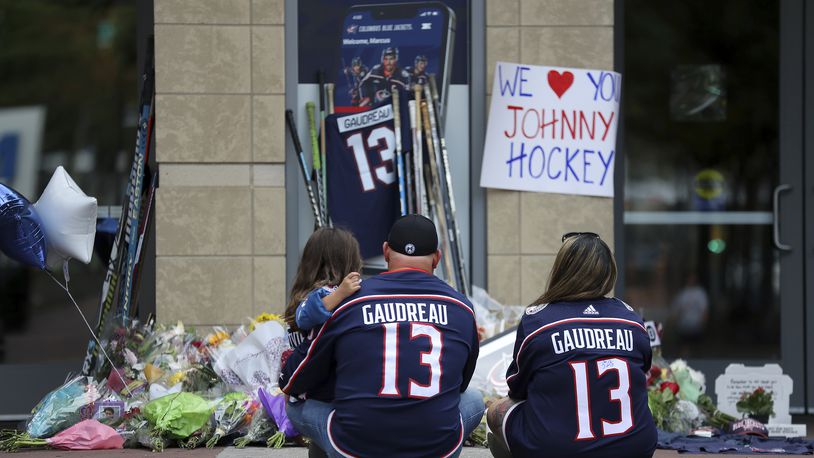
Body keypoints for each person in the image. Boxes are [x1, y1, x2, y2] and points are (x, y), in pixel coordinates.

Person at [281, 214, 484, 457]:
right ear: (437, 258)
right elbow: (460, 382)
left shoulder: (347, 301)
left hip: (355, 448)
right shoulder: (462, 307)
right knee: (473, 398)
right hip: (437, 449)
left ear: (386, 251)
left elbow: (292, 381)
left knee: (295, 401)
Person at [486, 232, 657, 458]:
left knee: (496, 410)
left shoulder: (537, 319)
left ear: (562, 270)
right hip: (635, 447)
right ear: (608, 272)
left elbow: (517, 389)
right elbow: (642, 372)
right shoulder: (631, 319)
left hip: (556, 448)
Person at [284, 227, 363, 350]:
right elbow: (304, 318)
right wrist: (339, 294)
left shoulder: (357, 289)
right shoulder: (321, 293)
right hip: (313, 364)